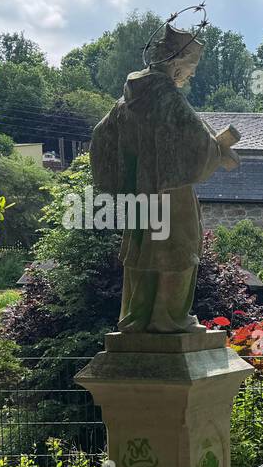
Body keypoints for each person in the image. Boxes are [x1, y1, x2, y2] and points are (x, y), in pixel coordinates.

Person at [90, 24, 240, 333]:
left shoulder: (125, 101)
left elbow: (101, 138)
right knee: (179, 251)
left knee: (141, 252)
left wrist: (125, 181)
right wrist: (219, 150)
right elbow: (196, 145)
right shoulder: (168, 98)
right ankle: (168, 319)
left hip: (140, 198)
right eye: (191, 66)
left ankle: (136, 319)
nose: (192, 74)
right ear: (175, 62)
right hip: (170, 195)